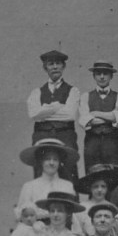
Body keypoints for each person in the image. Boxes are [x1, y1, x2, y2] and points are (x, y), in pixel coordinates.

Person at [27, 49, 80, 181]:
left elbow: (70, 115)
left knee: (68, 174)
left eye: (58, 63)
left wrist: (44, 110)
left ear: (64, 66)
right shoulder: (36, 92)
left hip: (65, 136)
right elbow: (34, 114)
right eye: (51, 64)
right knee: (41, 173)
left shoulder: (73, 90)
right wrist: (57, 106)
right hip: (42, 136)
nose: (55, 67)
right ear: (45, 67)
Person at [14, 138, 80, 220]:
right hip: (36, 229)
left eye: (55, 159)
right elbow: (21, 214)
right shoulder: (29, 186)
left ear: (60, 163)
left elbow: (71, 213)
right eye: (47, 159)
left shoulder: (67, 185)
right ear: (41, 161)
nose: (51, 163)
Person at [77, 61, 118, 169]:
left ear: (111, 76)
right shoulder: (85, 96)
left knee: (114, 176)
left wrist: (96, 113)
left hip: (112, 143)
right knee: (92, 177)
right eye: (98, 73)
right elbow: (86, 121)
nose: (102, 77)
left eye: (105, 73)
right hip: (92, 144)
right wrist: (111, 116)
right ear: (94, 76)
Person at [76, 163, 118, 236]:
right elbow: (78, 233)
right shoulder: (82, 208)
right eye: (96, 187)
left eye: (103, 186)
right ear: (90, 188)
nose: (100, 190)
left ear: (107, 188)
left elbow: (116, 234)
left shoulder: (112, 207)